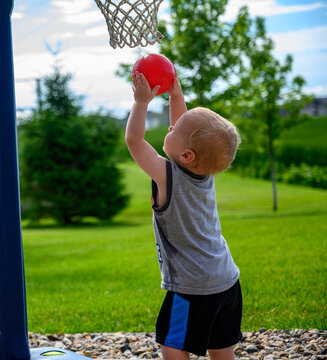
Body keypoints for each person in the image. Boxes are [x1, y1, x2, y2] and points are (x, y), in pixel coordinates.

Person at [125, 70, 243, 360]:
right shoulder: (205, 171)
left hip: (194, 286)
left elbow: (134, 142)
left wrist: (141, 102)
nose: (170, 128)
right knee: (220, 344)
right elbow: (184, 128)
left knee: (173, 344)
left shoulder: (168, 176)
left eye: (174, 131)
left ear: (187, 155)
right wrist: (175, 95)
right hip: (226, 279)